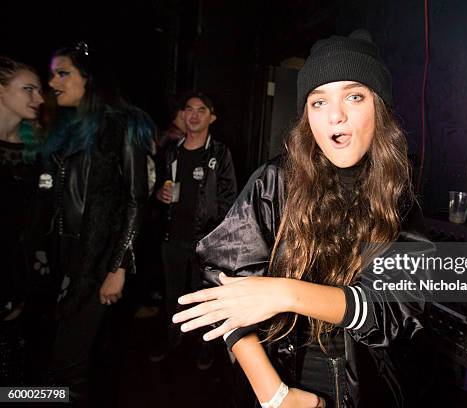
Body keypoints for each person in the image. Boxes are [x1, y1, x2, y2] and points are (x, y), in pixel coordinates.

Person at [173, 30, 430, 407]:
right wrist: (276, 395)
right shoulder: (275, 181)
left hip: (367, 384)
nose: (335, 116)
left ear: (380, 106)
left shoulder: (398, 192)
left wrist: (287, 294)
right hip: (279, 372)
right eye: (318, 102)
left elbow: (396, 307)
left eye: (354, 96)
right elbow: (225, 280)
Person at [43, 42, 155, 404]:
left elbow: (137, 200)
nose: (53, 82)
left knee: (69, 362)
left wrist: (119, 267)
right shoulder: (67, 128)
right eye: (52, 74)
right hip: (62, 256)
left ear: (88, 80)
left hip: (98, 259)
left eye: (63, 73)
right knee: (55, 357)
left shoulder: (121, 125)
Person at [153, 91, 236, 367]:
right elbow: (158, 187)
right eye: (189, 109)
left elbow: (228, 199)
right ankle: (171, 342)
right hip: (172, 239)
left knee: (204, 300)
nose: (194, 115)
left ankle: (204, 350)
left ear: (212, 117)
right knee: (172, 297)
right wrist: (159, 196)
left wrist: (217, 242)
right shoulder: (172, 151)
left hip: (206, 244)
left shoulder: (220, 153)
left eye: (202, 110)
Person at [0, 56, 45, 385]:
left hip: (20, 271)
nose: (39, 99)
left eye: (39, 90)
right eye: (28, 89)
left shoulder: (37, 148)